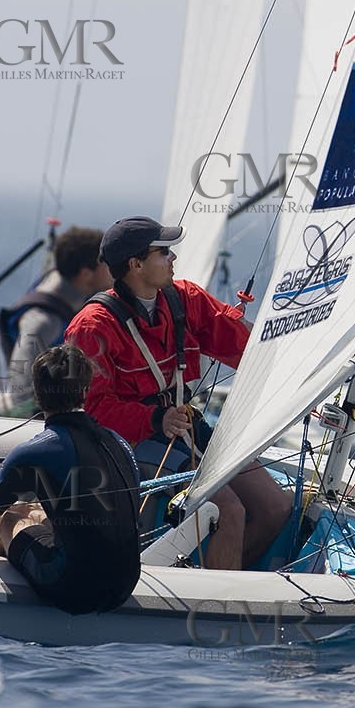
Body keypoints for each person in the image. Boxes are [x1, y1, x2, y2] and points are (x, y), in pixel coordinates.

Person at [64, 216, 288, 571]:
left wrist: (299, 360)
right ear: (136, 264)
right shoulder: (93, 327)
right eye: (164, 252)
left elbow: (241, 343)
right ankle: (213, 613)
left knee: (276, 507)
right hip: (130, 441)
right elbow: (90, 411)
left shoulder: (184, 298)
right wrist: (155, 418)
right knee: (228, 511)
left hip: (182, 425)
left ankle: (223, 586)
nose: (173, 259)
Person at [0, 345, 142, 615]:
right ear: (85, 392)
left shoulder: (35, 451)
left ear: (37, 395)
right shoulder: (120, 443)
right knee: (35, 511)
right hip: (125, 585)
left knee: (4, 519)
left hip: (71, 589)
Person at [3, 227, 111, 411]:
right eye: (106, 264)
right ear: (85, 274)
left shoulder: (82, 286)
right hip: (48, 412)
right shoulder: (42, 320)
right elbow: (20, 389)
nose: (112, 269)